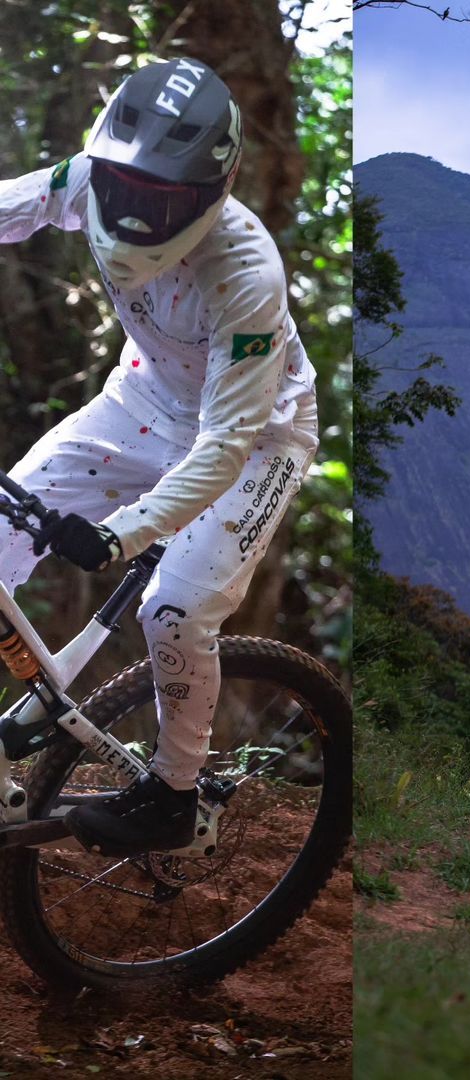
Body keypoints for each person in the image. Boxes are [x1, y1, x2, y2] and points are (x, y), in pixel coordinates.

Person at [0, 58, 318, 857]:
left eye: (162, 200)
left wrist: (120, 536)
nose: (133, 213)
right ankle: (42, 706)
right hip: (142, 400)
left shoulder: (246, 272)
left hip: (255, 436)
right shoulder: (90, 177)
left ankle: (176, 795)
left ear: (216, 189)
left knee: (173, 611)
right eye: (122, 187)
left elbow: (225, 445)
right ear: (103, 158)